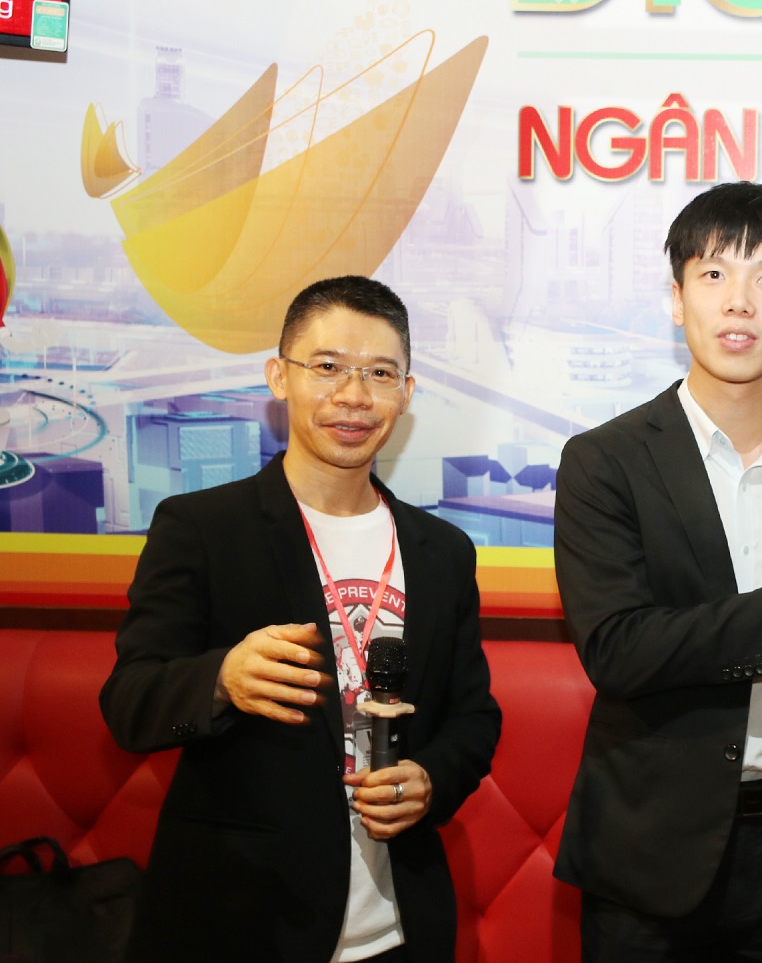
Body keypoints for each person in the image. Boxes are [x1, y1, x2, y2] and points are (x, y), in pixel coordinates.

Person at [100, 276, 502, 963]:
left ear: (406, 393)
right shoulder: (202, 528)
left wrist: (431, 778)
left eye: (380, 373)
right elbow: (128, 704)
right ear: (278, 377)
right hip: (243, 923)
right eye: (328, 367)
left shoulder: (443, 551)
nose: (354, 395)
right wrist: (221, 679)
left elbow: (474, 715)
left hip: (399, 926)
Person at [552, 181, 762, 962]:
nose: (739, 301)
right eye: (714, 274)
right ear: (677, 300)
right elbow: (618, 649)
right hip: (650, 857)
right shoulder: (606, 462)